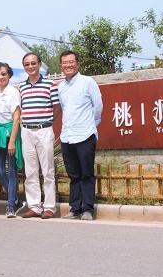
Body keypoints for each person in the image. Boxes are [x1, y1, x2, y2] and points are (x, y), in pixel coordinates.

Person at [58, 50, 102, 221]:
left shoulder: (87, 82)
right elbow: (64, 108)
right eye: (65, 62)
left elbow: (97, 106)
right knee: (73, 175)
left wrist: (91, 124)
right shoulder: (61, 87)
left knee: (87, 174)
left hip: (85, 134)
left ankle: (88, 209)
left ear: (78, 64)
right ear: (60, 66)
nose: (68, 65)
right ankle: (75, 208)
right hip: (67, 136)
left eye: (71, 62)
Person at [18, 52, 60, 219]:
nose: (30, 66)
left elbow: (57, 107)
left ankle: (49, 207)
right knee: (30, 171)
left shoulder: (50, 84)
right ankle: (34, 206)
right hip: (26, 131)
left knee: (48, 170)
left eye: (33, 63)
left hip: (44, 130)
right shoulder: (21, 87)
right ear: (24, 67)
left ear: (40, 64)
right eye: (27, 64)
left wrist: (48, 121)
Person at [0, 62, 24, 218]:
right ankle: (15, 199)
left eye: (3, 73)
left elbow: (16, 118)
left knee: (11, 171)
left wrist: (12, 141)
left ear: (9, 74)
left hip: (10, 132)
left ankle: (10, 205)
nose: (1, 77)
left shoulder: (13, 93)